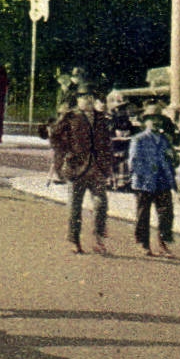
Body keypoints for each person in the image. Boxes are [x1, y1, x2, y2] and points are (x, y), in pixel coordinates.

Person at [59, 90, 114, 254]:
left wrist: (107, 164)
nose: (88, 101)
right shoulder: (70, 117)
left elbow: (106, 143)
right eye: (84, 98)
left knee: (101, 204)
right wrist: (67, 157)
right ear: (78, 100)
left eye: (91, 97)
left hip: (97, 169)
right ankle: (75, 241)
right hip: (77, 169)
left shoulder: (101, 118)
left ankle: (98, 240)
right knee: (75, 207)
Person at [129, 110, 177, 257]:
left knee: (166, 213)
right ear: (145, 122)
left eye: (158, 119)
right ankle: (143, 244)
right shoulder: (139, 139)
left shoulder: (165, 139)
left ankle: (163, 243)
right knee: (143, 214)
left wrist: (172, 158)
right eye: (151, 119)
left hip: (162, 180)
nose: (155, 122)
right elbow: (133, 161)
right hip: (145, 181)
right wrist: (143, 174)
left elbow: (171, 158)